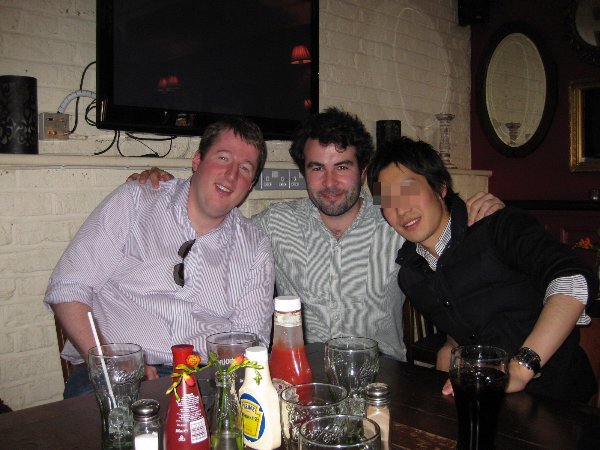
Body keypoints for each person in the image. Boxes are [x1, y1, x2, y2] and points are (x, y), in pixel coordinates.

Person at [131, 108, 504, 362]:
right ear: (303, 173)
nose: (329, 183)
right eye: (316, 168)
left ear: (362, 171)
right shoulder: (274, 224)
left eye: (342, 167)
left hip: (383, 376)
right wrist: (170, 188)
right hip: (304, 379)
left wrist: (482, 213)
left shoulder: (394, 218)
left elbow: (448, 236)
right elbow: (215, 223)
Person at [44, 117, 275, 398]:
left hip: (206, 380)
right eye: (223, 158)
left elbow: (251, 341)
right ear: (197, 160)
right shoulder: (135, 201)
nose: (231, 174)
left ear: (250, 185)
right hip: (116, 373)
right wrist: (112, 364)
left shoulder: (255, 245)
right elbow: (68, 287)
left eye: (245, 168)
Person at [366, 136, 597, 402]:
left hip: (561, 397)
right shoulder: (411, 275)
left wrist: (520, 368)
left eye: (408, 190)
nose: (401, 209)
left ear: (440, 187)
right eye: (388, 200)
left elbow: (573, 280)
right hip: (487, 395)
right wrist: (451, 345)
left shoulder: (498, 226)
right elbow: (464, 312)